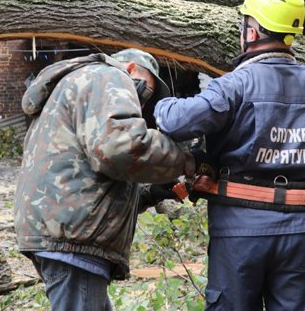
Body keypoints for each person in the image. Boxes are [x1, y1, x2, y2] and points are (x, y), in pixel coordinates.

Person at [154, 0, 305, 309]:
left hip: (241, 233)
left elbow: (176, 122)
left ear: (252, 31)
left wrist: (159, 103)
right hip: (303, 232)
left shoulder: (235, 85)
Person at [14, 49, 194, 309]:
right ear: (130, 68)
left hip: (65, 231)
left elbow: (87, 178)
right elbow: (119, 149)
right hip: (72, 240)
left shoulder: (84, 85)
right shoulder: (109, 75)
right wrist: (187, 159)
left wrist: (151, 193)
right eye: (143, 90)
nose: (141, 103)